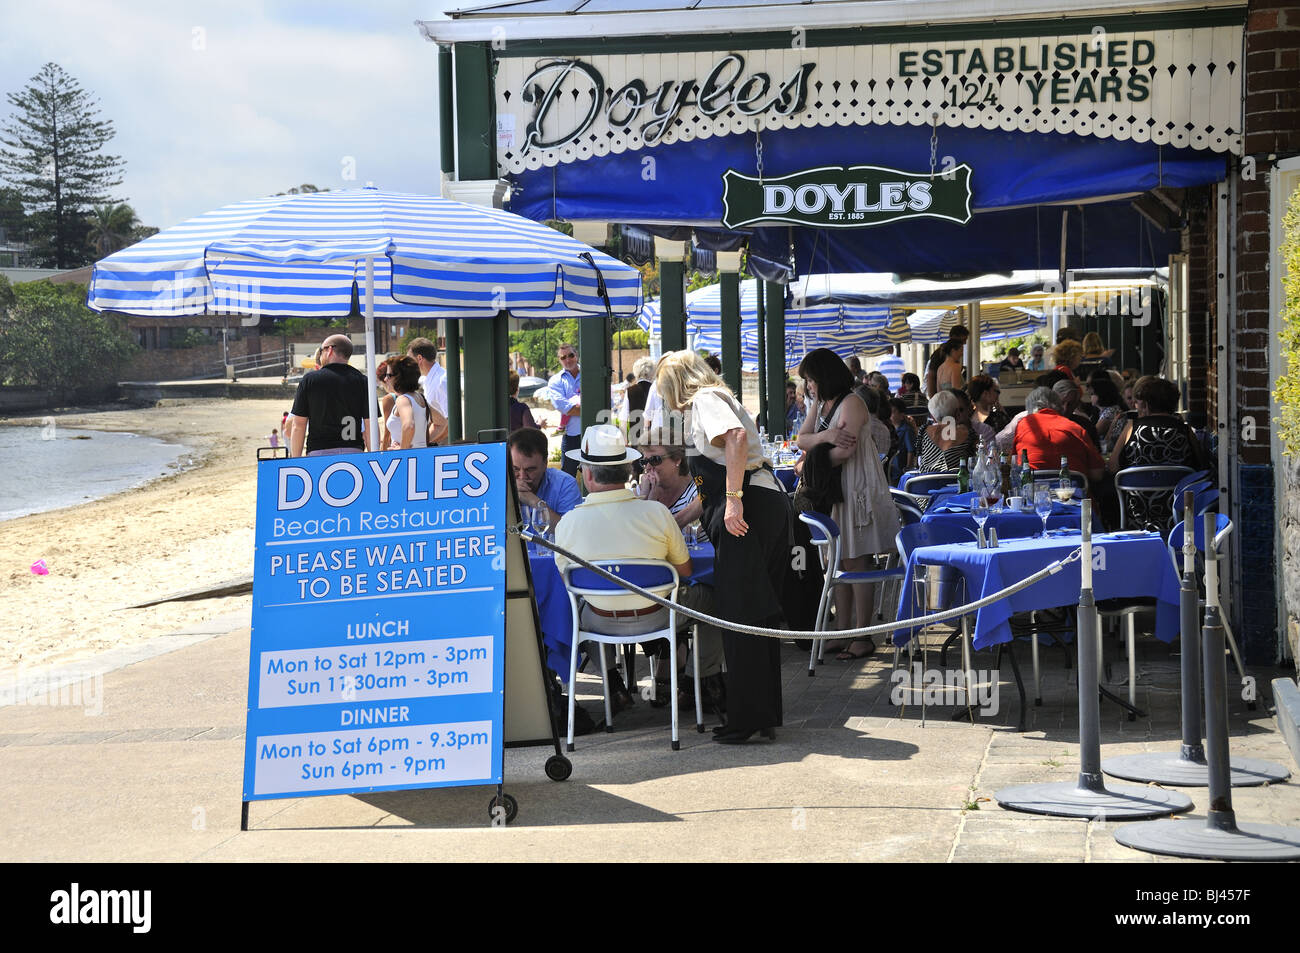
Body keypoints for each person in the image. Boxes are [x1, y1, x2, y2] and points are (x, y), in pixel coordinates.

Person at [656, 349, 787, 743]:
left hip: (749, 511)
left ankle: (746, 718)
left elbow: (736, 439)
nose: (664, 399)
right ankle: (761, 714)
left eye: (663, 390)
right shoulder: (712, 401)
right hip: (760, 506)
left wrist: (733, 499)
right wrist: (677, 521)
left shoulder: (705, 400)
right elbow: (707, 486)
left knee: (741, 614)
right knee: (756, 615)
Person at [553, 425, 702, 713]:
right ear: (628, 470)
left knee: (578, 607)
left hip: (600, 621)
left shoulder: (568, 524)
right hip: (659, 617)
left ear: (587, 473)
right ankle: (699, 680)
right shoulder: (657, 514)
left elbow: (567, 583)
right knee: (711, 599)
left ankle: (611, 680)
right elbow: (685, 572)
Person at [796, 348, 899, 660]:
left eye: (811, 380)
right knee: (837, 561)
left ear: (824, 376)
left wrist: (810, 461)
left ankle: (863, 634)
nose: (808, 386)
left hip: (856, 490)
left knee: (857, 560)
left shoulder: (851, 403)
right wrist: (825, 437)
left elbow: (845, 453)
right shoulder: (823, 404)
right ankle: (843, 631)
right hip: (835, 490)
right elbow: (801, 439)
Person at [1107, 375, 1208, 529]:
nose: (1135, 404)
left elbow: (1113, 467)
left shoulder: (1132, 428)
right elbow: (1199, 466)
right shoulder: (1184, 430)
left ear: (1146, 404)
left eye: (1138, 401)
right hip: (1177, 515)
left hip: (1137, 515)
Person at [286, 333, 370, 457]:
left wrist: (296, 461)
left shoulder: (310, 380)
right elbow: (370, 425)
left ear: (329, 350)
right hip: (353, 451)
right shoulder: (362, 380)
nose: (320, 355)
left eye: (321, 350)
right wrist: (374, 457)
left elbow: (298, 425)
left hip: (319, 451)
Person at [1011, 386, 1104, 483]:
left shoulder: (1023, 425)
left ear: (1029, 409)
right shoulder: (1076, 428)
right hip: (1073, 493)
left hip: (1032, 492)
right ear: (1060, 406)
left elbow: (1015, 465)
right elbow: (1097, 474)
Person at [508, 426, 581, 535]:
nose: (522, 477)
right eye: (515, 469)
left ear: (545, 463)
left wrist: (533, 501)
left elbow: (570, 534)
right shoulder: (498, 485)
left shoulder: (564, 484)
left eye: (530, 469)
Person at [916, 389, 978, 472]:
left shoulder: (923, 431)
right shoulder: (968, 433)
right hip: (956, 482)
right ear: (957, 413)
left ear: (933, 417)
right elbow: (975, 462)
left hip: (925, 483)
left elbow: (919, 460)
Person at [546, 343, 583, 476]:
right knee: (567, 477)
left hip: (592, 434)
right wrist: (589, 409)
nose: (568, 360)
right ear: (559, 360)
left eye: (571, 355)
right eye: (563, 357)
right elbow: (565, 409)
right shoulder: (555, 381)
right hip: (571, 436)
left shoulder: (590, 375)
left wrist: (575, 408)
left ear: (576, 355)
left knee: (597, 476)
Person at [406, 337, 449, 445]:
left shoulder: (441, 381)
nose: (408, 364)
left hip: (445, 446)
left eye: (409, 359)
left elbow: (449, 424)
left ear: (419, 358)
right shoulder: (428, 379)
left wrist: (424, 445)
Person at [383, 356, 430, 451]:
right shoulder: (419, 397)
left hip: (407, 461)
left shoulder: (403, 400)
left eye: (388, 375)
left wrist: (402, 451)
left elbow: (409, 425)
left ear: (399, 377)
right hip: (420, 456)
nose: (385, 379)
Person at [1088, 369, 1128, 454]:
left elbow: (1093, 434)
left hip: (1115, 450)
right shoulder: (1107, 410)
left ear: (1101, 395)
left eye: (1092, 394)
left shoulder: (1110, 411)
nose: (1090, 397)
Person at [925, 325, 969, 395]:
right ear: (954, 336)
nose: (965, 343)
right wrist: (932, 397)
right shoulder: (939, 355)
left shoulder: (942, 366)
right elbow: (930, 376)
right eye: (963, 339)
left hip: (941, 399)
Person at [888, 397, 918, 484]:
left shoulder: (906, 430)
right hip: (891, 468)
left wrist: (908, 468)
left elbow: (910, 450)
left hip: (900, 470)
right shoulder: (889, 429)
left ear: (902, 415)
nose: (889, 415)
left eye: (893, 412)